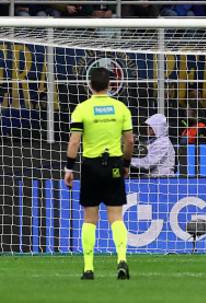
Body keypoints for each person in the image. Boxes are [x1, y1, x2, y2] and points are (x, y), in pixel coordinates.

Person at [64, 67, 134, 280]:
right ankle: (122, 259)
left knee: (89, 218)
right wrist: (126, 164)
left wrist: (69, 168)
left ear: (90, 85)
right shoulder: (121, 108)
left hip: (91, 166)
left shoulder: (82, 109)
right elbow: (129, 141)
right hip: (114, 164)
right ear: (110, 85)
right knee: (116, 217)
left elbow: (74, 142)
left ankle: (88, 268)